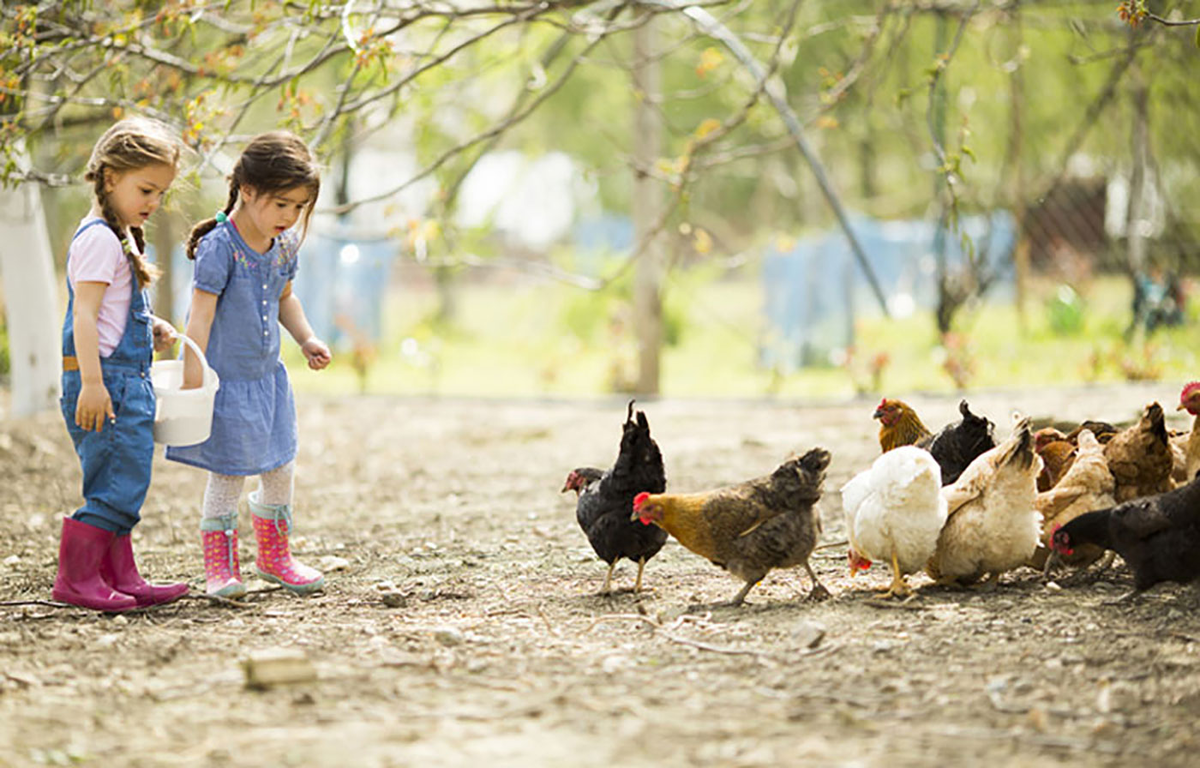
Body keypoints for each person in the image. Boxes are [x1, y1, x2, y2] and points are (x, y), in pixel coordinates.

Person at [167, 131, 332, 599]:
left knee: (281, 465)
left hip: (268, 382)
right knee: (230, 472)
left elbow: (286, 299)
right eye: (282, 204)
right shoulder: (221, 248)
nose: (290, 216)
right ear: (248, 190)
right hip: (227, 384)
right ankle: (221, 567)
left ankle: (275, 557)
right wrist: (192, 379)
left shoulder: (282, 247)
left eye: (299, 207)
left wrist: (306, 337)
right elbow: (198, 318)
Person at [55, 118, 188, 612]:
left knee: (127, 478)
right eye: (146, 189)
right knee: (113, 483)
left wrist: (148, 324)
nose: (153, 202)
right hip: (104, 381)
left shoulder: (123, 235)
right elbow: (83, 318)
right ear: (110, 178)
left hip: (125, 381)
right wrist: (92, 382)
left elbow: (111, 312)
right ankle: (77, 578)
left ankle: (118, 573)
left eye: (160, 193)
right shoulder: (99, 239)